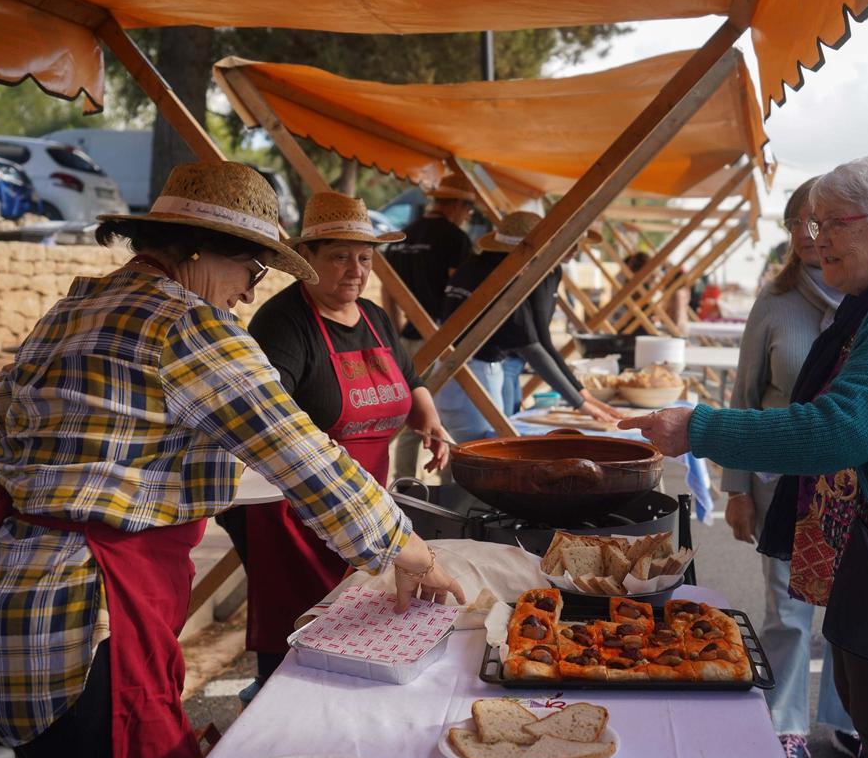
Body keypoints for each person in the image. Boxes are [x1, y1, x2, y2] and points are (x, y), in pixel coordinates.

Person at [0, 162, 463, 758]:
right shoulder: (187, 325)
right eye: (251, 272)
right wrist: (411, 552)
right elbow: (306, 457)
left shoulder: (77, 305)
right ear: (201, 250)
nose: (248, 294)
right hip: (83, 611)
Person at [621, 155, 868, 758]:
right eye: (811, 223)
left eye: (832, 224)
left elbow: (836, 429)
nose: (814, 239)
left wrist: (698, 429)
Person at [223, 192, 451, 697]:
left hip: (368, 499)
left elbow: (411, 379)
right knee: (300, 628)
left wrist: (429, 419)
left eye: (365, 258)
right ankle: (274, 705)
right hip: (292, 508)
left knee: (360, 625)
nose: (355, 269)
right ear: (309, 261)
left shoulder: (373, 316)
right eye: (339, 257)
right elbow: (270, 428)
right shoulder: (284, 324)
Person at [721, 177, 860, 758]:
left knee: (852, 609)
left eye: (820, 222)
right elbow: (743, 399)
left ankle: (848, 720)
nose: (809, 235)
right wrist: (736, 487)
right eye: (798, 223)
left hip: (856, 486)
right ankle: (785, 724)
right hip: (783, 485)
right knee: (787, 610)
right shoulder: (774, 304)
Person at [437, 211, 617, 441]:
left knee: (465, 453)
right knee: (478, 453)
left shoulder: (477, 265)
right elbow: (532, 345)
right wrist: (581, 402)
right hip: (474, 373)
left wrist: (582, 397)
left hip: (460, 371)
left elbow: (537, 341)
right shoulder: (504, 277)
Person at [383, 174, 476, 479]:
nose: (468, 216)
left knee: (412, 413)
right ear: (456, 205)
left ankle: (405, 483)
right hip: (442, 337)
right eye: (468, 209)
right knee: (441, 413)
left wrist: (394, 332)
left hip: (407, 337)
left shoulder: (402, 236)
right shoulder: (455, 239)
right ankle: (450, 484)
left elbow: (389, 290)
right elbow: (456, 289)